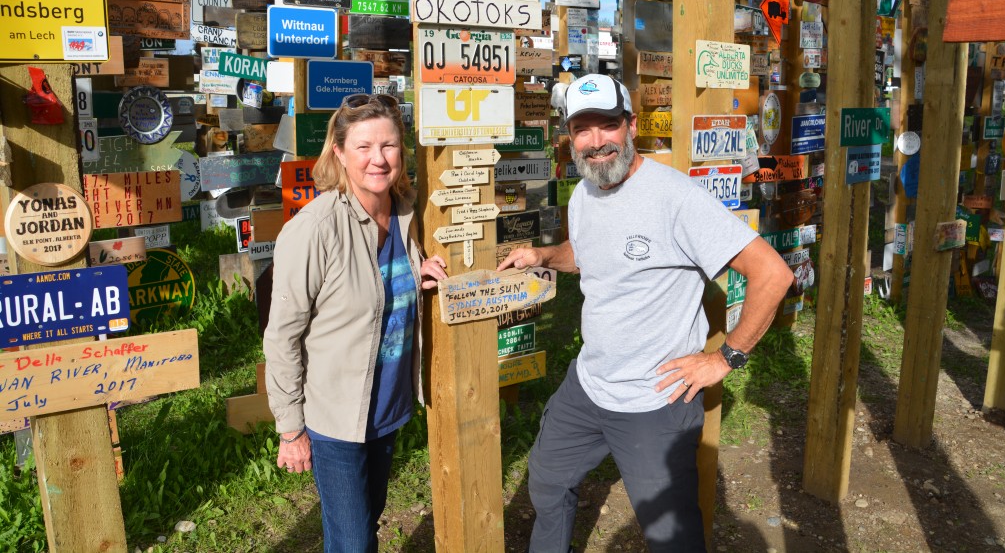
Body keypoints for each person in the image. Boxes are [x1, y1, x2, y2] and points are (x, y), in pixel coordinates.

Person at [497, 74, 793, 552]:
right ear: (569, 137)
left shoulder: (675, 198)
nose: (597, 143)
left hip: (654, 402)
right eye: (583, 129)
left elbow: (773, 274)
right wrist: (545, 257)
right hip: (590, 383)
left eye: (607, 126)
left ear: (630, 126)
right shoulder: (585, 193)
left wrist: (725, 359)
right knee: (548, 479)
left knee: (671, 537)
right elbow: (590, 252)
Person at [263, 94, 448, 553]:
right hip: (334, 416)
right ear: (339, 152)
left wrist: (414, 272)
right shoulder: (315, 229)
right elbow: (282, 334)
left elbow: (378, 283)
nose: (378, 159)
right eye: (363, 147)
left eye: (388, 146)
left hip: (386, 406)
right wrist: (290, 429)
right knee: (354, 542)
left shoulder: (407, 210)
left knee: (368, 516)